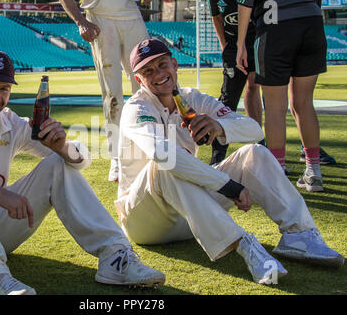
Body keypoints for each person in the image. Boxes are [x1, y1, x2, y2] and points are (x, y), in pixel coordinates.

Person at [0, 49, 165, 295]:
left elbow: (80, 161)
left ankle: (115, 257)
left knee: (58, 164)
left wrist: (61, 147)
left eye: (4, 89)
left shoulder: (11, 123)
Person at [114, 39, 344, 285]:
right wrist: (228, 185)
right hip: (145, 221)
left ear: (174, 63)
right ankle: (246, 246)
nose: (159, 74)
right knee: (164, 164)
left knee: (255, 153)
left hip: (190, 213)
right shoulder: (136, 109)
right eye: (148, 71)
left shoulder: (194, 98)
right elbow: (164, 157)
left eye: (162, 64)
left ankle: (299, 236)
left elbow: (254, 129)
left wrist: (219, 126)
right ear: (139, 80)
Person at [236, 0, 333, 188]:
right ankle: (314, 172)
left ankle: (277, 173)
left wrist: (240, 45)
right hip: (311, 21)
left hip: (275, 27)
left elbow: (244, 1)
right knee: (304, 103)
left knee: (274, 107)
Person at [55, 0, 153, 181]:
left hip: (132, 15)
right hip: (100, 17)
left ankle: (151, 148)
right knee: (112, 93)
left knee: (146, 87)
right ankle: (117, 157)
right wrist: (80, 21)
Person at [207, 0, 263, 165]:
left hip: (256, 42)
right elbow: (216, 17)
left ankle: (259, 143)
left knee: (254, 88)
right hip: (232, 47)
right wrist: (224, 45)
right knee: (228, 100)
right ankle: (217, 157)